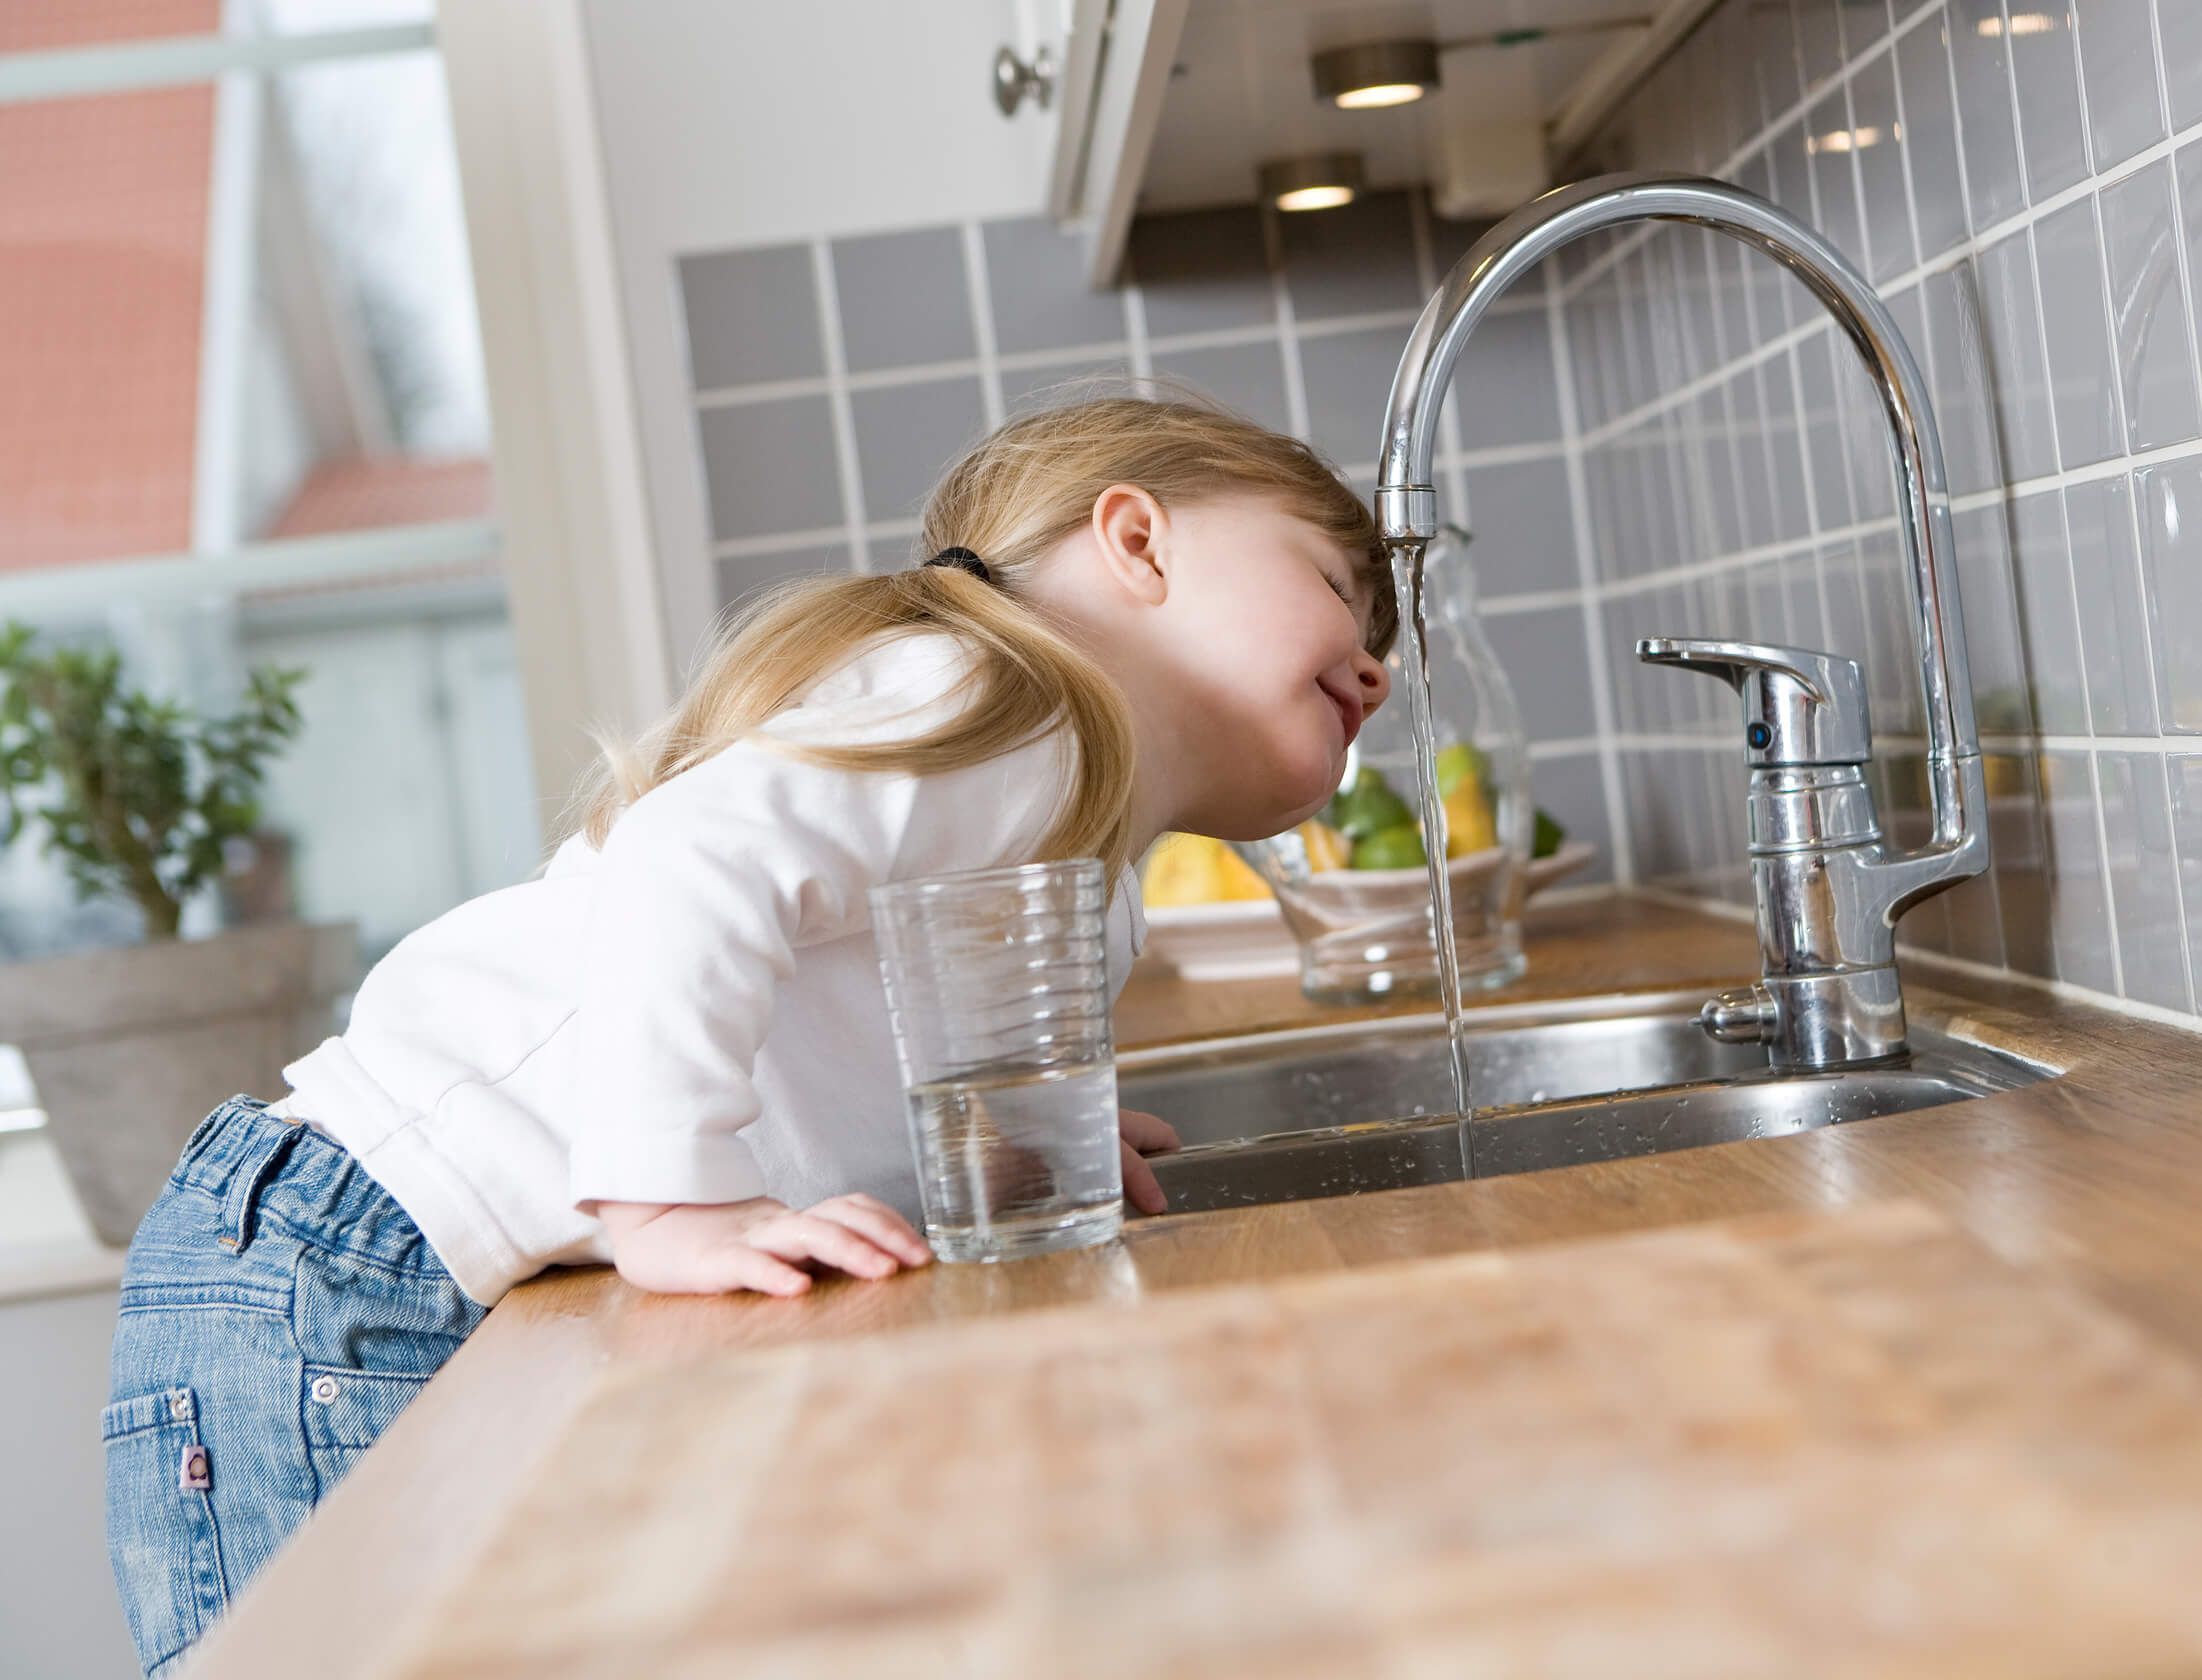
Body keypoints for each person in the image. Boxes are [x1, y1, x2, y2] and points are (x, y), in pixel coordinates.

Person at [100, 394, 1397, 1675]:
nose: (1379, 663)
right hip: (349, 1253)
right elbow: (692, 859)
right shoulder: (1010, 704)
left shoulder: (1080, 857)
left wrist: (1012, 1137)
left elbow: (830, 1020)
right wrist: (672, 1201)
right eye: (1340, 586)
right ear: (1138, 541)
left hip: (377, 1256)